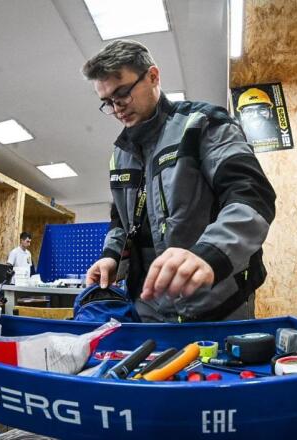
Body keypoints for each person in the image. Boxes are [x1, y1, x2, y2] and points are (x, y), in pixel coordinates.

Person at [83, 39, 276, 323]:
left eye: (122, 93)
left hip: (218, 306)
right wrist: (111, 257)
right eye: (108, 102)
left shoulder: (203, 123)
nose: (117, 108)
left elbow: (251, 196)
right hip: (148, 309)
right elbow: (121, 221)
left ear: (153, 76)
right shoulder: (120, 155)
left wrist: (210, 253)